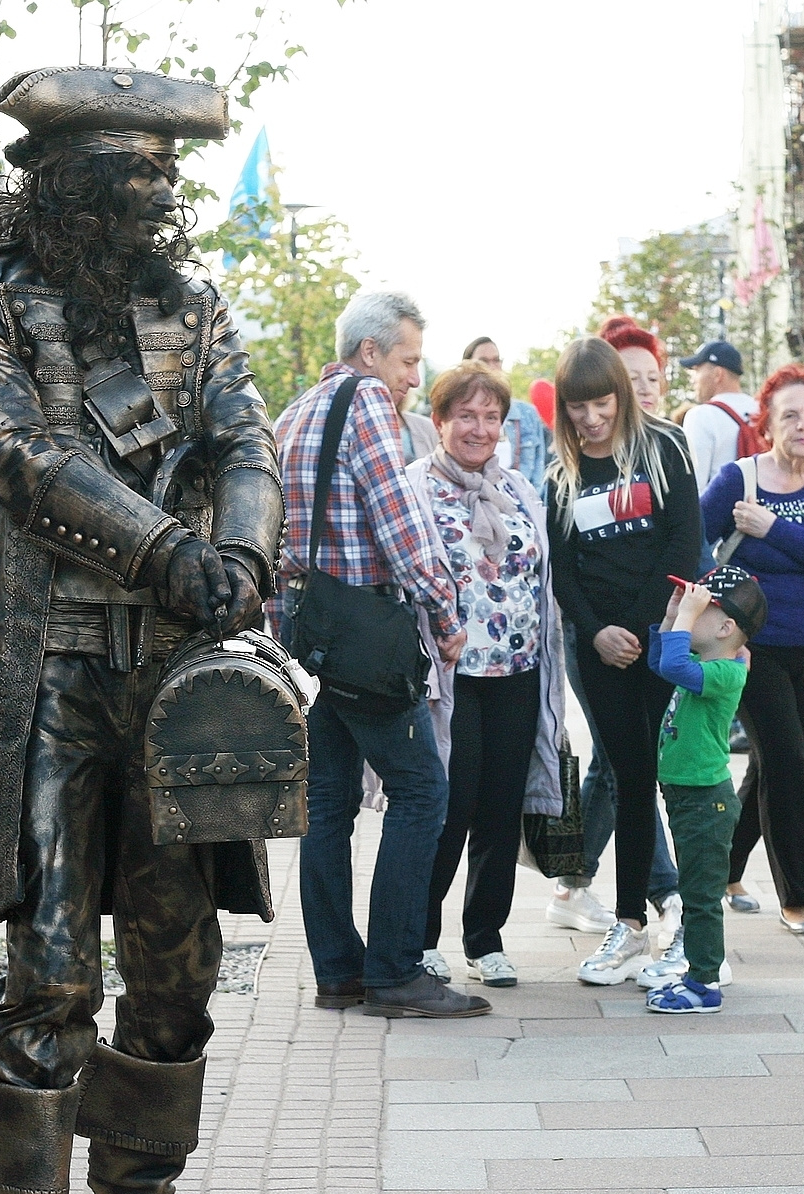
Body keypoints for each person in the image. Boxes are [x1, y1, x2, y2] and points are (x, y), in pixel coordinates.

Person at [0, 66, 290, 1194]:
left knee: (179, 966)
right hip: (53, 681)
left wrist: (238, 556)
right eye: (137, 173)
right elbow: (20, 460)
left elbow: (248, 433)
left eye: (166, 173)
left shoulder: (192, 307)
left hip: (172, 683)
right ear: (68, 179)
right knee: (50, 982)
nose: (164, 192)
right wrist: (168, 550)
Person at [271, 289, 490, 1021]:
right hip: (369, 638)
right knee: (423, 791)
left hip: (315, 642)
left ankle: (339, 972)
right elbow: (400, 523)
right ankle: (395, 971)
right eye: (408, 360)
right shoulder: (366, 402)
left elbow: (273, 542)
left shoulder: (291, 415)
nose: (412, 379)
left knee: (328, 802)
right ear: (369, 353)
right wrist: (444, 611)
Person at [546, 337, 703, 986]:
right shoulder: (561, 474)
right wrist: (598, 632)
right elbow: (562, 569)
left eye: (601, 403)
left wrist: (639, 625)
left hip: (661, 641)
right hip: (598, 652)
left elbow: (684, 541)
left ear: (622, 395)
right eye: (577, 407)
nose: (590, 418)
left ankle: (695, 919)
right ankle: (632, 923)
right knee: (632, 778)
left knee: (684, 778)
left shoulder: (664, 448)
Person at [410, 362, 567, 989]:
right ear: (440, 420)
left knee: (503, 806)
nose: (479, 428)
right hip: (452, 678)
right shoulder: (416, 487)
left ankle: (486, 938)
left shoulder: (519, 489)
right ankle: (420, 937)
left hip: (519, 669)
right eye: (466, 415)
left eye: (490, 417)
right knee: (451, 804)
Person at [701, 364, 804, 934]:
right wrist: (718, 604)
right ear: (767, 422)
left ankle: (718, 869)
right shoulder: (738, 480)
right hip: (751, 649)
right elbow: (694, 541)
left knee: (769, 766)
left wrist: (774, 531)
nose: (802, 424)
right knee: (790, 763)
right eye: (789, 414)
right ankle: (800, 900)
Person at [645, 569, 764, 1014]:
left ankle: (704, 983)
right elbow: (661, 662)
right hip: (688, 795)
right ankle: (697, 973)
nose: (687, 614)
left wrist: (685, 615)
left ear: (725, 627)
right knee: (695, 890)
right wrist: (674, 614)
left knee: (699, 897)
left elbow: (673, 664)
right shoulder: (705, 665)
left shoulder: (725, 674)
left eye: (700, 609)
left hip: (705, 800)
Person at [463, 335, 551, 480]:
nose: (491, 367)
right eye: (483, 361)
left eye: (496, 360)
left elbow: (539, 471)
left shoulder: (527, 413)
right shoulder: (459, 414)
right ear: (467, 366)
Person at [680, 339, 758, 489]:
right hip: (762, 510)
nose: (693, 380)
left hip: (721, 510)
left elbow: (693, 486)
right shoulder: (763, 411)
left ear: (718, 374)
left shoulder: (701, 416)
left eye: (697, 370)